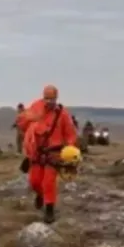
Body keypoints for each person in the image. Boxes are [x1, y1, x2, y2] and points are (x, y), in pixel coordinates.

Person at [21, 85, 78, 224]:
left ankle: (49, 210)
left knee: (48, 182)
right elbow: (22, 123)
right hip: (36, 153)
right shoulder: (35, 108)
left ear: (56, 98)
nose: (49, 102)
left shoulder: (62, 114)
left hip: (54, 153)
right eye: (47, 98)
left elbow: (70, 134)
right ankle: (40, 195)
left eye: (52, 99)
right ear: (43, 97)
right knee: (34, 181)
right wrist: (29, 120)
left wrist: (70, 150)